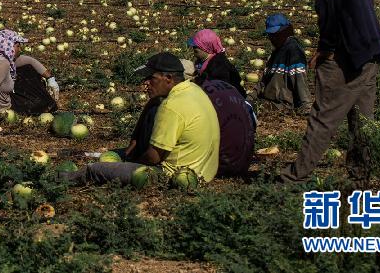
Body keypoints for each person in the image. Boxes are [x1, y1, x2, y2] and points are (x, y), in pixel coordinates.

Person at [281, 0, 380, 184]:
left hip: (347, 52)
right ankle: (360, 179)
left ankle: (295, 179)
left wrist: (326, 46)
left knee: (324, 115)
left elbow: (328, 0)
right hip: (369, 49)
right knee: (363, 122)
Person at [63, 53, 220, 186]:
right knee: (115, 154)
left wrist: (130, 163)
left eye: (150, 78)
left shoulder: (172, 106)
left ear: (168, 78)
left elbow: (153, 157)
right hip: (204, 171)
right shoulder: (194, 90)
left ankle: (61, 178)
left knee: (95, 170)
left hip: (175, 175)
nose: (145, 83)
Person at [0, 29, 59, 116]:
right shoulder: (3, 64)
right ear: (8, 46)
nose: (20, 49)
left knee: (27, 68)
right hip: (0, 112)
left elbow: (29, 61)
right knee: (29, 72)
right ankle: (46, 104)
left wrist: (50, 79)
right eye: (18, 46)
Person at [253, 13, 312, 114]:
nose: (273, 37)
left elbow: (300, 79)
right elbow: (263, 81)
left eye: (276, 34)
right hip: (269, 101)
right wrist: (250, 96)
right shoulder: (276, 52)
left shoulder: (293, 50)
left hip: (283, 105)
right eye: (271, 35)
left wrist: (306, 105)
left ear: (285, 31)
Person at [200, 79, 255, 177]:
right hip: (244, 163)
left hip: (218, 168)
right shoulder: (231, 88)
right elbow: (253, 121)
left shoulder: (194, 94)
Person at [189, 29, 247, 97]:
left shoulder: (219, 65)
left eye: (196, 50)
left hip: (230, 99)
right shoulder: (202, 60)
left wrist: (198, 81)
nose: (194, 52)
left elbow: (219, 87)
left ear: (206, 48)